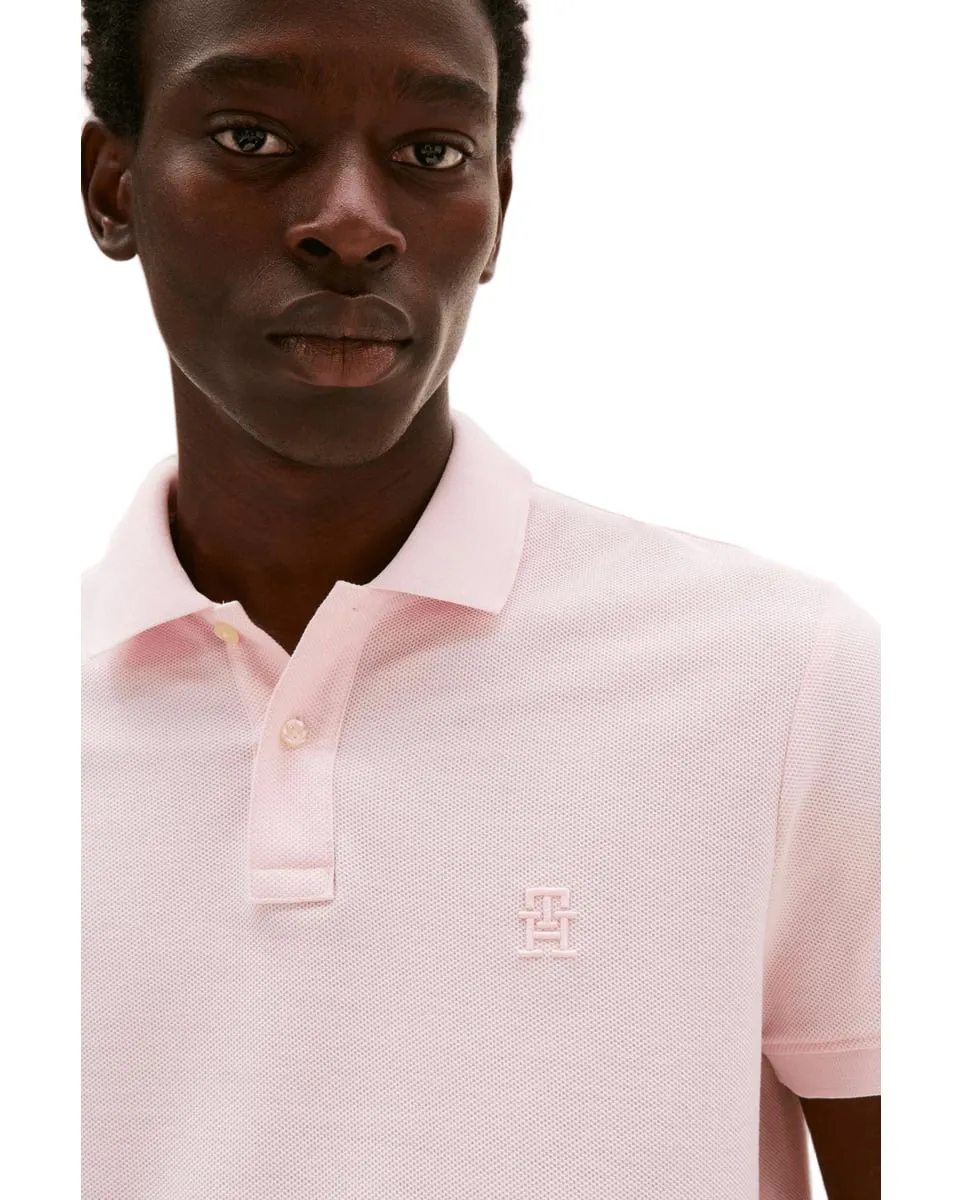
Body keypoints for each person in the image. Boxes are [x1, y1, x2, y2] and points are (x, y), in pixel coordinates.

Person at [79, 2, 880, 1197]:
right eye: (252, 138)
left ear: (497, 204)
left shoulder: (784, 681)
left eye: (430, 151)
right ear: (113, 189)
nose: (351, 222)